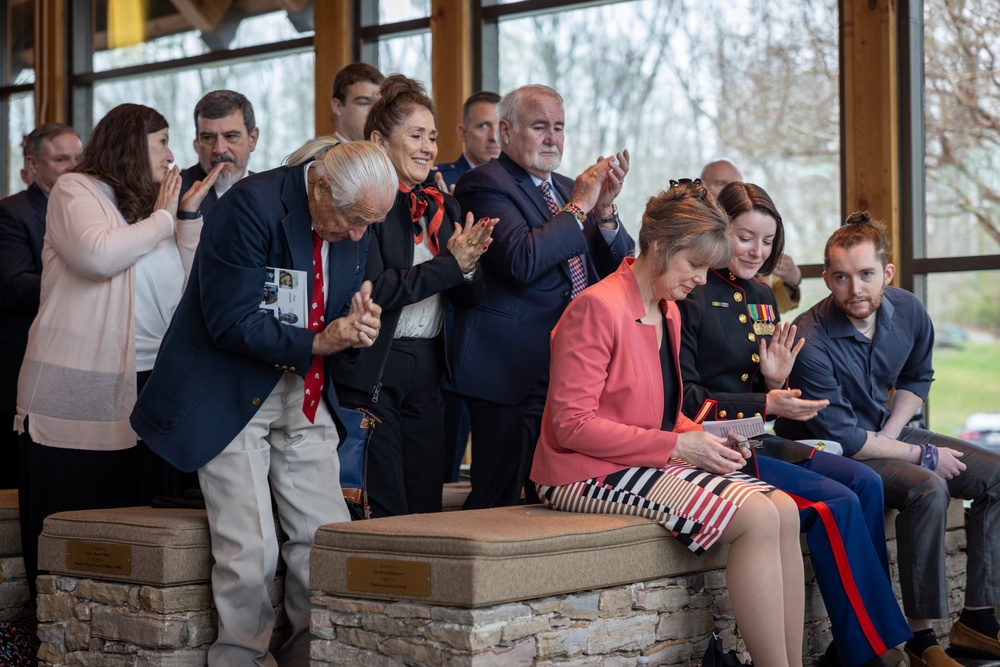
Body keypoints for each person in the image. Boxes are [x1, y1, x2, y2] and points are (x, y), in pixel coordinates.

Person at [131, 138, 397, 666]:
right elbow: (232, 321)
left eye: (370, 223)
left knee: (324, 538)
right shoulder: (250, 207)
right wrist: (324, 339)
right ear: (319, 185)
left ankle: (313, 655)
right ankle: (241, 658)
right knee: (249, 549)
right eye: (353, 220)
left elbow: (334, 300)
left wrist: (359, 322)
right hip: (228, 390)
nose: (359, 235)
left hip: (304, 387)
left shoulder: (351, 215)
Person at [532, 180, 804, 666]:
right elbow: (569, 426)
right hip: (581, 471)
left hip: (637, 458)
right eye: (695, 265)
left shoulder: (668, 311)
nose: (703, 279)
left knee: (783, 509)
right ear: (658, 247)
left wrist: (709, 438)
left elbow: (664, 413)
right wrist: (678, 448)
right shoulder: (596, 306)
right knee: (758, 515)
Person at [677, 182, 910, 667]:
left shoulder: (763, 292)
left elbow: (767, 380)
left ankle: (855, 642)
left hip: (762, 436)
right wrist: (766, 397)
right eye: (745, 237)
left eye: (767, 241)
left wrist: (774, 383)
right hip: (717, 445)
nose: (756, 251)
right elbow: (686, 399)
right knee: (837, 502)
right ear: (721, 230)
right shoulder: (692, 291)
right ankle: (872, 652)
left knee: (866, 484)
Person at [776, 212, 1000, 667]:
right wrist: (922, 454)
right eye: (840, 277)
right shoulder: (809, 338)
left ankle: (977, 618)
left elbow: (918, 377)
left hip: (885, 432)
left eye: (865, 275)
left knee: (997, 476)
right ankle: (922, 640)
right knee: (926, 485)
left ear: (887, 273)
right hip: (833, 451)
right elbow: (845, 437)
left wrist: (897, 435)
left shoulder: (909, 310)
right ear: (826, 278)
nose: (854, 289)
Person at [15, 104, 221, 596]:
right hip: (79, 385)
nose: (172, 156)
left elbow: (185, 289)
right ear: (132, 144)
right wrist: (163, 218)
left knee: (134, 536)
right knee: (74, 528)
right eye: (163, 142)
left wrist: (185, 220)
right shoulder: (75, 189)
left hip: (150, 383)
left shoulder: (151, 208)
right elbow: (98, 255)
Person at [452, 83, 635, 509]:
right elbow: (522, 259)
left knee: (555, 497)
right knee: (498, 498)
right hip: (511, 370)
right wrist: (579, 208)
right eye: (539, 127)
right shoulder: (483, 183)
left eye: (559, 127)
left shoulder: (574, 190)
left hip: (573, 368)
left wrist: (604, 210)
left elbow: (617, 271)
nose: (552, 138)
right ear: (506, 131)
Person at [332, 75, 495, 517]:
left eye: (433, 137)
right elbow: (375, 291)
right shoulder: (367, 203)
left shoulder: (447, 206)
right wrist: (450, 264)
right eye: (416, 135)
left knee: (426, 505)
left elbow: (467, 298)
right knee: (382, 507)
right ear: (381, 141)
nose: (428, 147)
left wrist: (472, 263)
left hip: (429, 368)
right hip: (375, 365)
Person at [0, 123, 82, 490]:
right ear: (33, 164)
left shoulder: (90, 209)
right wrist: (84, 276)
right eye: (62, 159)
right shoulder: (11, 213)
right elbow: (13, 287)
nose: (75, 166)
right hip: (23, 364)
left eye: (79, 157)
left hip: (75, 362)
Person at [700, 159, 802, 312]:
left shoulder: (758, 225)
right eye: (721, 183)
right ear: (702, 187)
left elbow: (770, 305)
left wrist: (793, 281)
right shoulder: (689, 238)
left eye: (768, 241)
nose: (757, 252)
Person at [180, 89, 259, 217]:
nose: (220, 149)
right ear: (198, 142)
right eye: (208, 138)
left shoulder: (273, 192)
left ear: (252, 139)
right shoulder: (175, 194)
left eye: (231, 136)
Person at [428, 91, 501, 192]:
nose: (494, 137)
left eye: (501, 127)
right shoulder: (436, 180)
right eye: (484, 126)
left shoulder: (518, 180)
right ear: (462, 132)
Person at [330, 62, 384, 143]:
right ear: (338, 106)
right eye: (364, 103)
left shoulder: (387, 153)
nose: (374, 112)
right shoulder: (318, 154)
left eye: (378, 104)